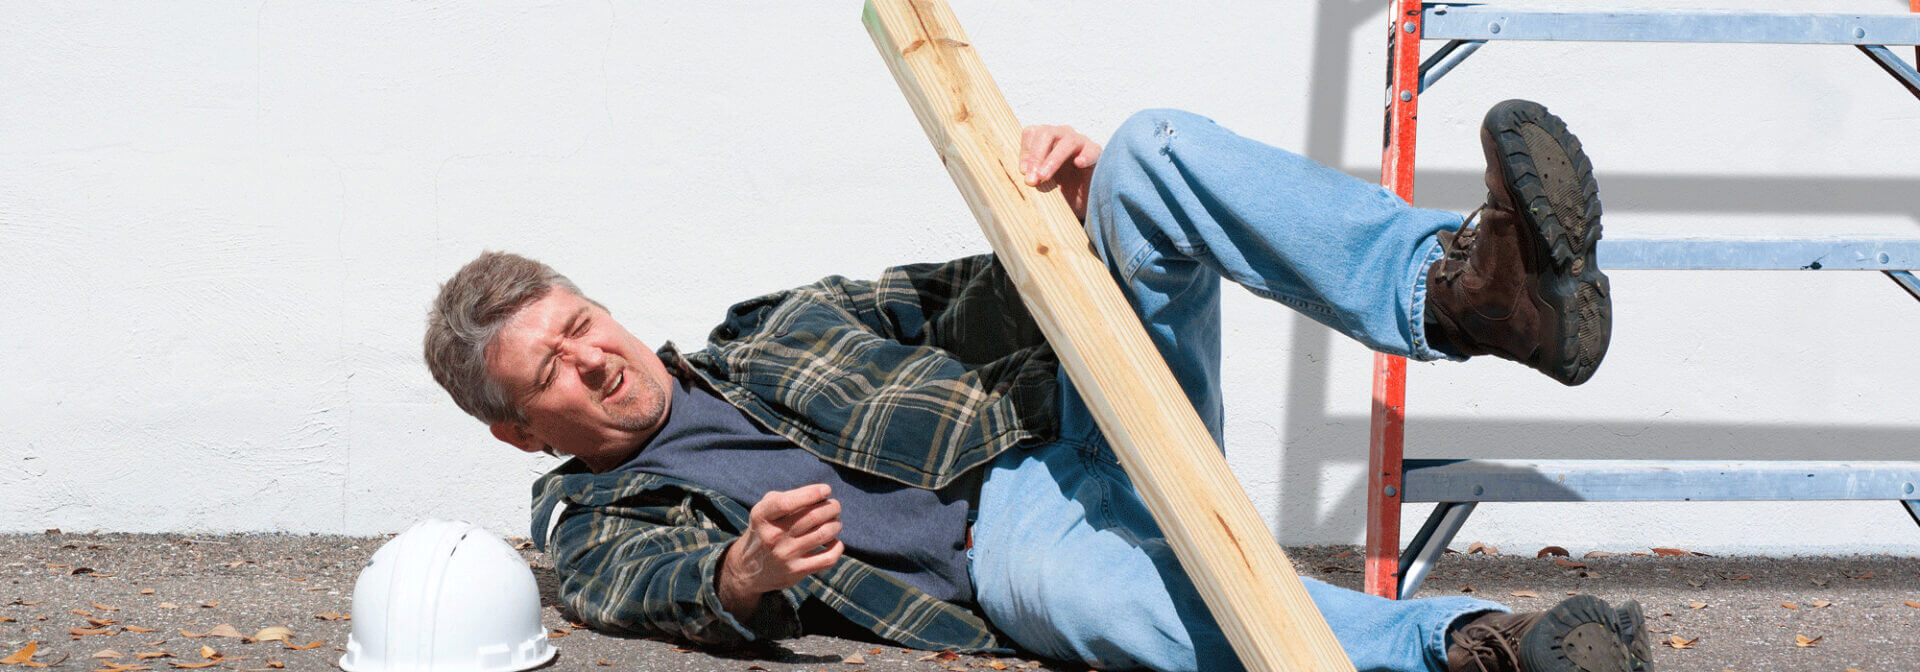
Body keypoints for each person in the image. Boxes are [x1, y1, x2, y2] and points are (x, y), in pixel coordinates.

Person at [423, 101, 1647, 672]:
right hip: (1006, 544)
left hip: (1081, 412)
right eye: (553, 370)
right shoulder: (594, 518)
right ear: (520, 429)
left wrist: (1065, 213)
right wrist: (740, 578)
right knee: (1102, 595)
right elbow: (637, 591)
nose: (593, 356)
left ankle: (1467, 292)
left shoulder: (774, 326)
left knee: (1147, 155)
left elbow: (974, 286)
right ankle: (1477, 652)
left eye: (582, 323)